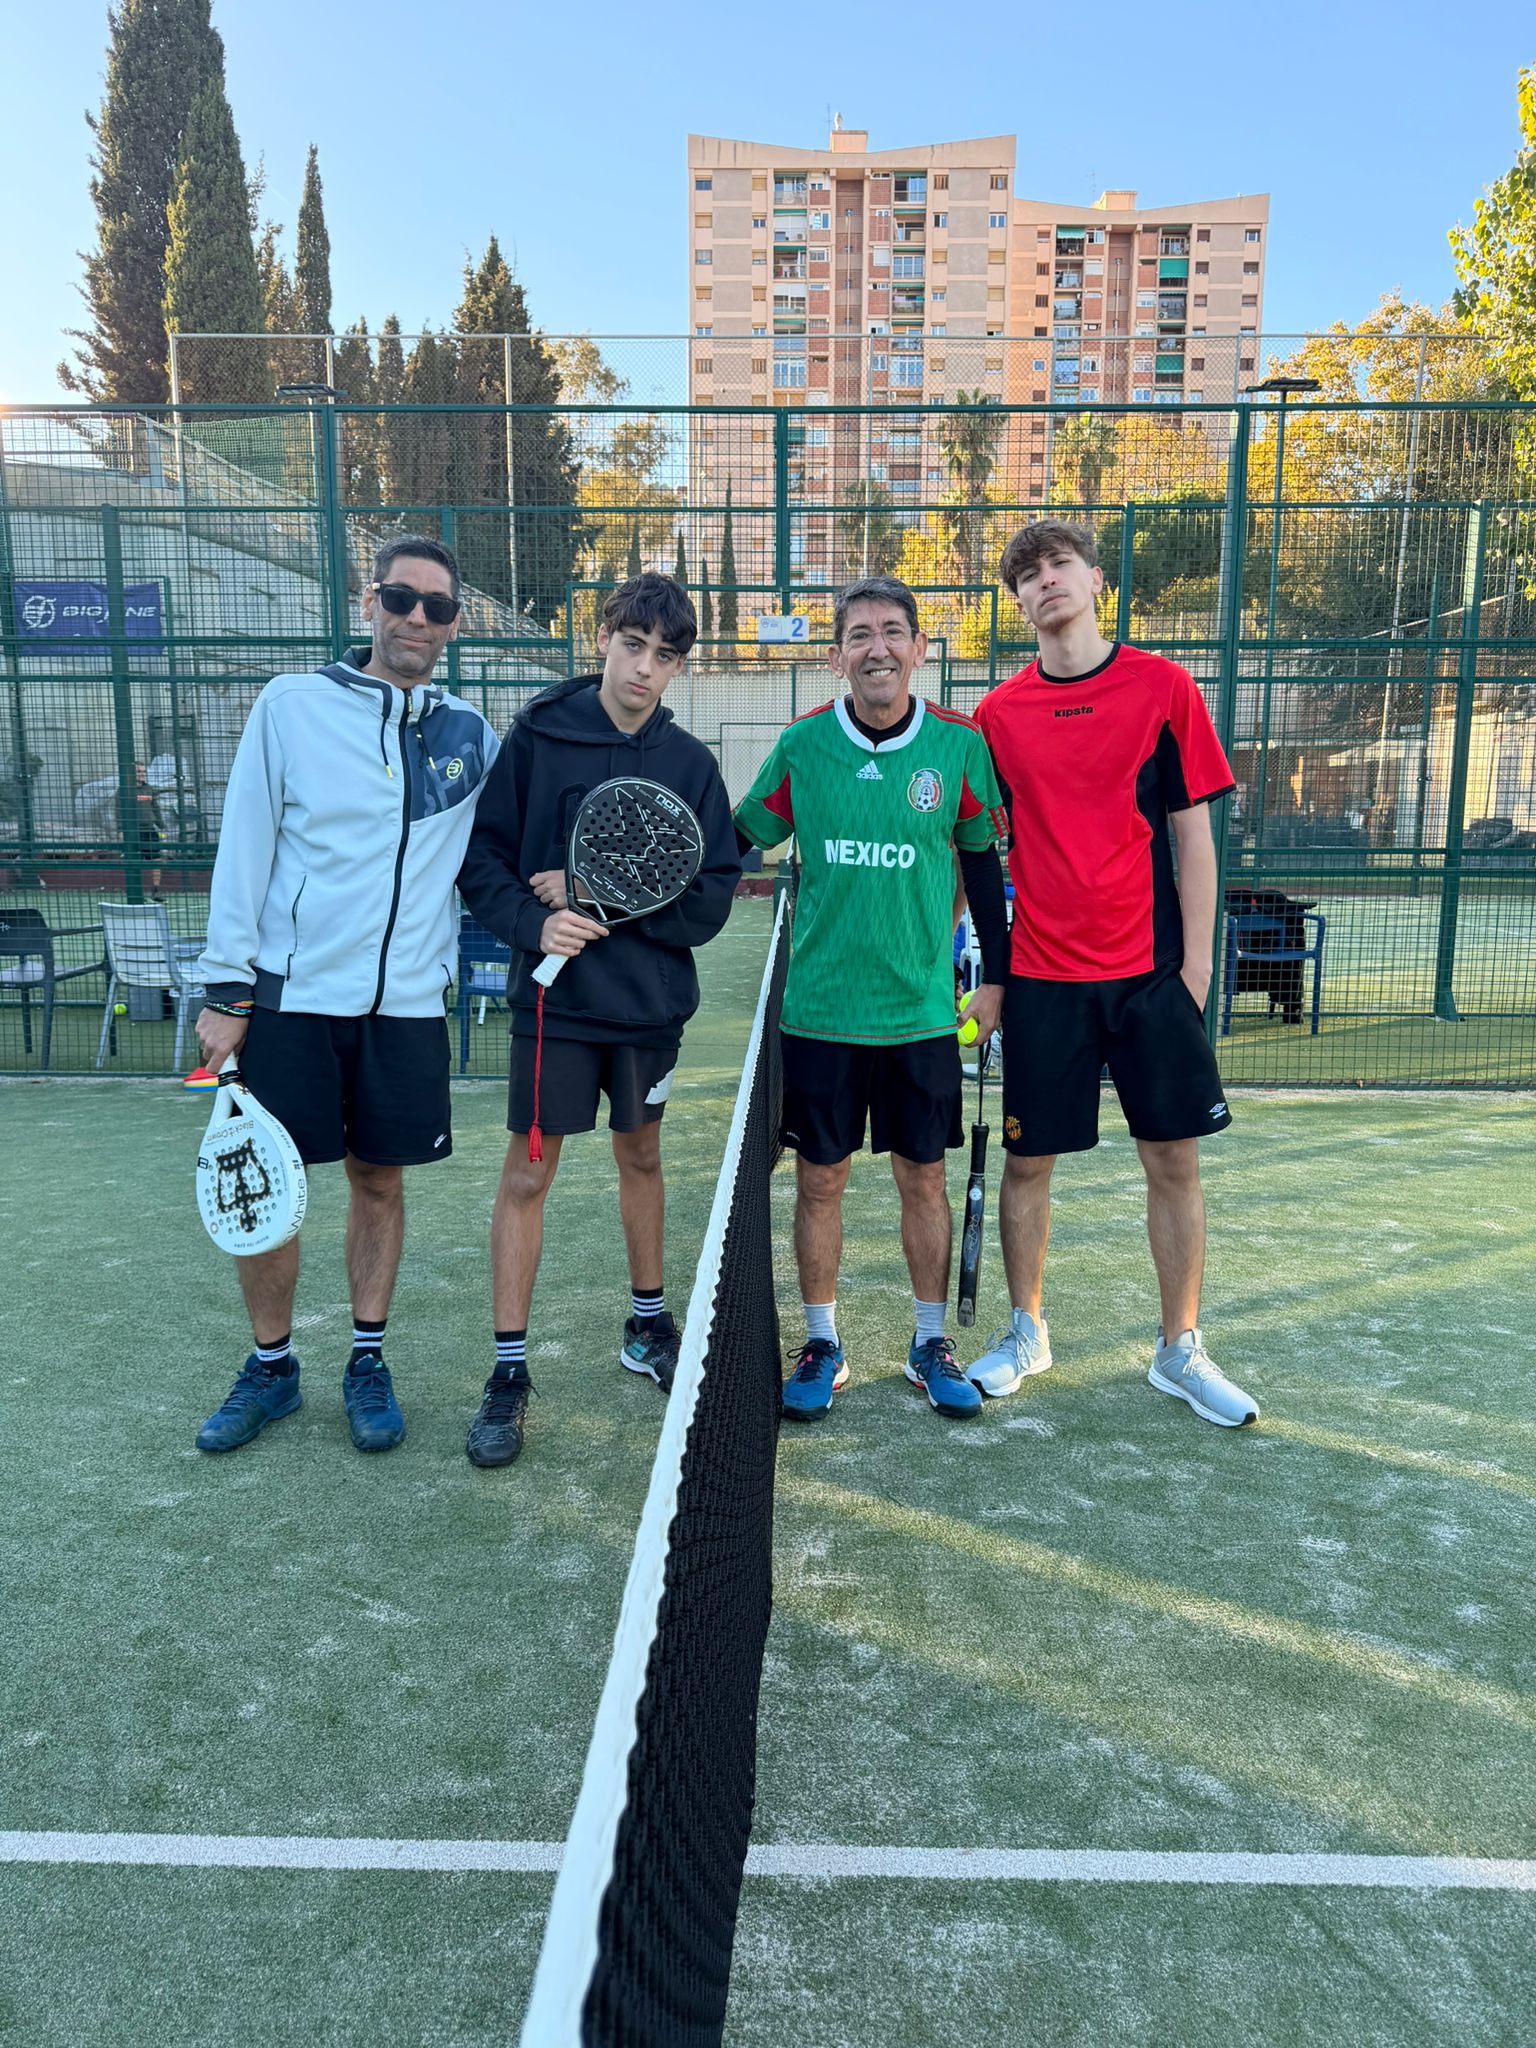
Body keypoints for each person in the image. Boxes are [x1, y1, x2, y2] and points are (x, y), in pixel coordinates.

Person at [192, 535, 498, 1455]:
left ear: (454, 626)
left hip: (406, 1009)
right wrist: (227, 989)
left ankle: (367, 1359)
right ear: (370, 603)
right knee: (267, 1188)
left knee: (379, 1180)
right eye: (401, 599)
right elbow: (245, 846)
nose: (417, 619)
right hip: (292, 1001)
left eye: (437, 607)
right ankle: (272, 1367)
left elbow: (504, 849)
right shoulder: (291, 705)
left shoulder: (470, 736)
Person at [968, 520, 1258, 1425]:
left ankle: (1180, 1348)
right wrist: (981, 972)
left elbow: (1193, 839)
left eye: (1059, 564)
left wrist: (1196, 970)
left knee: (1172, 1160)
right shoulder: (997, 715)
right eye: (1027, 575)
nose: (1045, 581)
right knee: (1027, 1163)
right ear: (1018, 604)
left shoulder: (1164, 688)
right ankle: (1027, 1330)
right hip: (1042, 979)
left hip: (1150, 979)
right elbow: (975, 849)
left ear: (1096, 580)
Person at [454, 573, 740, 1469]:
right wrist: (536, 922)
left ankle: (647, 1327)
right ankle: (508, 1371)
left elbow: (712, 894)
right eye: (632, 645)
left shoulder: (690, 765)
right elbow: (483, 859)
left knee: (642, 1156)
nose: (644, 668)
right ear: (604, 638)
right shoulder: (540, 736)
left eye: (666, 656)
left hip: (649, 1007)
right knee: (529, 1173)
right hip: (556, 1007)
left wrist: (598, 894)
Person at [734, 574, 1010, 1423]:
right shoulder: (802, 746)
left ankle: (930, 1343)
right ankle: (822, 1342)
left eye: (893, 631)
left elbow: (982, 869)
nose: (877, 648)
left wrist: (994, 981)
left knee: (923, 1181)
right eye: (859, 634)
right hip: (819, 1016)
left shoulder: (959, 747)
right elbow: (740, 840)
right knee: (819, 1183)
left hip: (919, 1017)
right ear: (837, 656)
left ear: (919, 648)